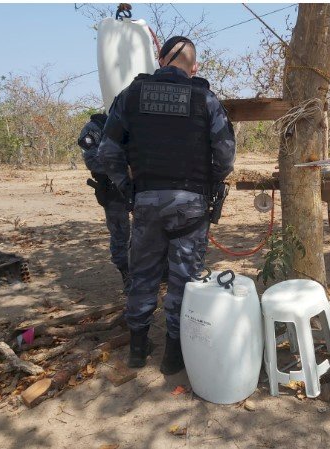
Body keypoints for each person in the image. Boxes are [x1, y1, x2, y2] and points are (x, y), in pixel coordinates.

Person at [99, 36, 236, 374]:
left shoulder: (130, 97)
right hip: (190, 204)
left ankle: (137, 350)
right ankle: (173, 357)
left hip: (145, 200)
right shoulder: (205, 98)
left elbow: (107, 153)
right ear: (194, 67)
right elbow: (225, 155)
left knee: (143, 274)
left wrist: (130, 190)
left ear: (159, 60)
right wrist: (207, 185)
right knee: (184, 278)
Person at [77, 113, 131, 292]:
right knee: (120, 234)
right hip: (113, 189)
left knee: (151, 230)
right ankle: (126, 273)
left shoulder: (134, 118)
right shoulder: (95, 128)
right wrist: (123, 167)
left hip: (141, 187)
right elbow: (92, 160)